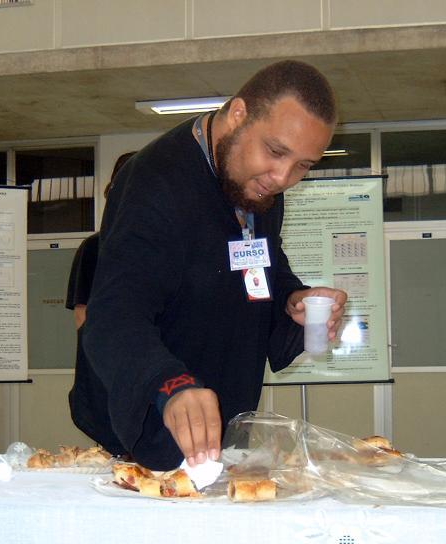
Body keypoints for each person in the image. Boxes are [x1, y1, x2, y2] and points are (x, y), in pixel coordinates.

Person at [82, 60, 348, 470]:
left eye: (303, 166)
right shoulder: (155, 183)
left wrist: (294, 300)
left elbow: (261, 267)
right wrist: (168, 384)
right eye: (276, 152)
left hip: (225, 431)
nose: (282, 178)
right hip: (147, 434)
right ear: (238, 114)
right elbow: (113, 315)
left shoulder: (257, 186)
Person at [65, 151, 136, 456]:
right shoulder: (95, 248)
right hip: (112, 377)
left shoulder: (168, 247)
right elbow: (83, 317)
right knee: (117, 460)